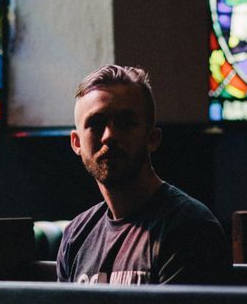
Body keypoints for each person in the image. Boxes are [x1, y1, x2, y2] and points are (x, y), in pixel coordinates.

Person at [58, 65, 229, 285]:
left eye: (126, 123)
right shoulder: (76, 235)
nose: (109, 136)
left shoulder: (190, 228)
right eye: (96, 124)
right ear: (76, 143)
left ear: (152, 138)